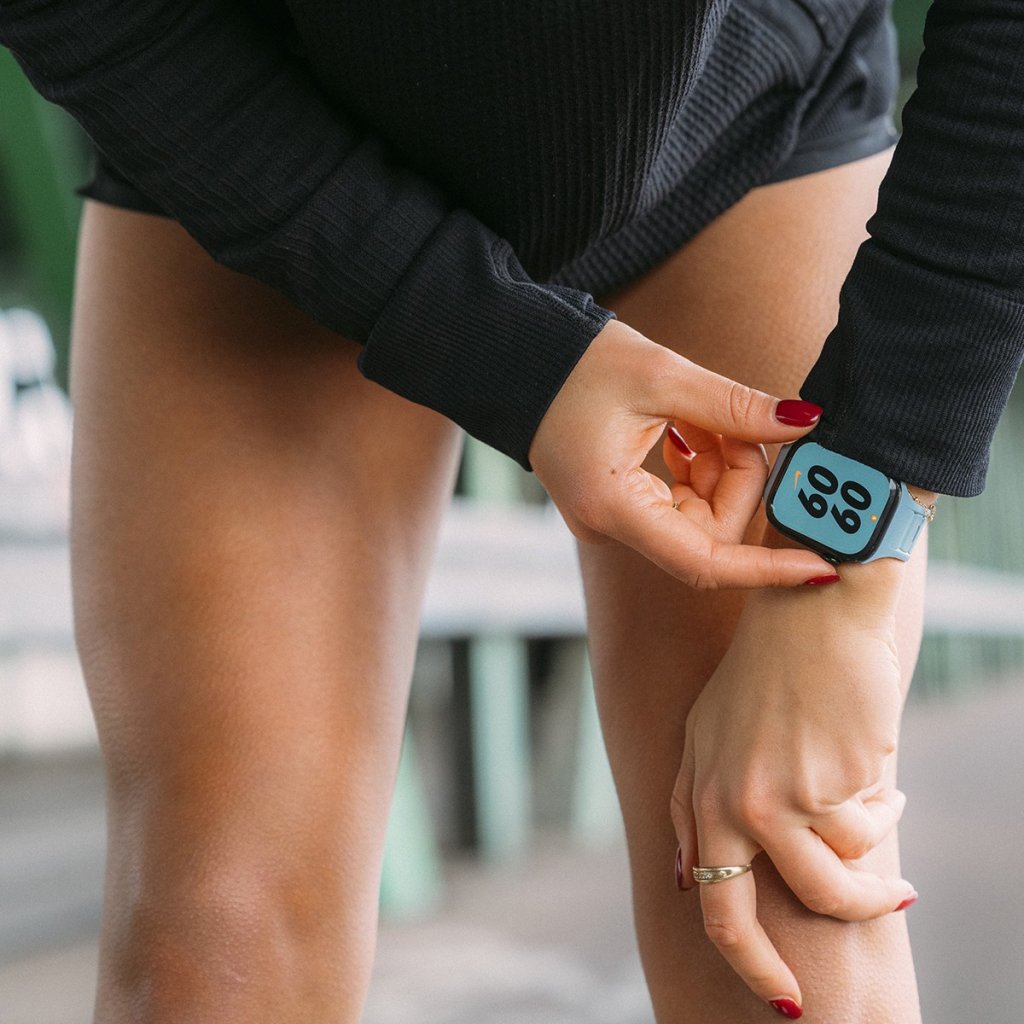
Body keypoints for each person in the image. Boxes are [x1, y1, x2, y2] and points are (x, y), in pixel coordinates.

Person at [1, 0, 1020, 1019]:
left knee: (790, 909)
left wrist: (859, 536)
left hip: (740, 119)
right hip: (266, 125)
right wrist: (501, 350)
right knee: (215, 944)